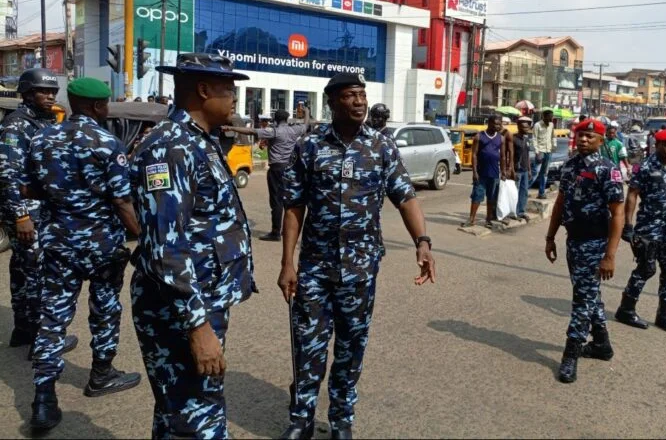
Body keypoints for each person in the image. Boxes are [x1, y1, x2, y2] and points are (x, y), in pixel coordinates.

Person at [278, 72, 436, 440]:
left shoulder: (381, 146)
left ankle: (341, 420)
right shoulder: (310, 146)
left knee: (351, 347)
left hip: (360, 268)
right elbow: (294, 206)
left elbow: (405, 197)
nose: (359, 102)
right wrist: (287, 262)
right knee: (308, 345)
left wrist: (423, 241)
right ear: (332, 102)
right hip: (315, 267)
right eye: (350, 96)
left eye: (362, 95)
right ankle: (301, 419)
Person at [129, 54, 256, 438]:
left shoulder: (199, 141)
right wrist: (197, 326)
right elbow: (165, 248)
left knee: (180, 415)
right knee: (197, 419)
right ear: (203, 90)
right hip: (180, 310)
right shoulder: (170, 148)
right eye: (228, 90)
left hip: (199, 300)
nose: (234, 98)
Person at [23, 77, 143, 430]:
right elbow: (122, 201)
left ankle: (43, 398)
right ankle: (101, 374)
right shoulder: (107, 143)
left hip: (58, 243)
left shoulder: (42, 138)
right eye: (105, 104)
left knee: (53, 315)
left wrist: (61, 196)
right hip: (101, 245)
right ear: (96, 106)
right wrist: (143, 238)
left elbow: (30, 188)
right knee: (105, 307)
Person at [0, 69, 77, 356]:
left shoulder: (43, 121)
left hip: (38, 209)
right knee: (37, 273)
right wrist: (21, 216)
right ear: (27, 94)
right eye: (43, 91)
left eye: (53, 91)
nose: (50, 96)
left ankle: (23, 329)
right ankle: (40, 340)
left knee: (23, 270)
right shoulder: (16, 125)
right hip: (26, 210)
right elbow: (7, 174)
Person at [544, 119, 625, 384]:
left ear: (601, 140)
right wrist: (550, 237)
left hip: (595, 243)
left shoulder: (608, 169)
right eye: (580, 135)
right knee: (589, 295)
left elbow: (618, 213)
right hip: (574, 241)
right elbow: (560, 202)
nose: (583, 139)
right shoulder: (570, 166)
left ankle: (571, 353)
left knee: (582, 300)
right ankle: (602, 344)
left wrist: (609, 255)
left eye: (590, 136)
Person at [616, 129, 666, 336]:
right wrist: (628, 225)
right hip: (649, 230)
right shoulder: (644, 167)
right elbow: (632, 195)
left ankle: (664, 315)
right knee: (646, 269)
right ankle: (626, 309)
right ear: (657, 145)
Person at [223, 106, 310, 241]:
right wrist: (307, 112)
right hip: (291, 168)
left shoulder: (274, 131)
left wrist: (231, 128)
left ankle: (275, 232)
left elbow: (251, 131)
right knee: (289, 201)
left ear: (275, 119)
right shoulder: (294, 130)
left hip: (276, 169)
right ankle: (287, 231)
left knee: (276, 201)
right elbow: (306, 124)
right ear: (287, 119)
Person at [462, 114, 504, 228]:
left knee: (491, 198)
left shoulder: (501, 138)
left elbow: (502, 156)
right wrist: (474, 172)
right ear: (489, 123)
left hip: (494, 173)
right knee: (477, 196)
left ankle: (488, 219)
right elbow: (474, 155)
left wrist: (504, 171)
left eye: (500, 124)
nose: (498, 126)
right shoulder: (479, 136)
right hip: (481, 173)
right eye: (496, 124)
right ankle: (471, 219)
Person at [531, 107, 556, 199]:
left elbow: (553, 136)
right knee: (535, 172)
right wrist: (537, 152)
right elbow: (534, 139)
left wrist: (554, 146)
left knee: (544, 173)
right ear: (544, 117)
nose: (551, 119)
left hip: (548, 151)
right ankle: (524, 189)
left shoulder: (551, 125)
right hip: (540, 151)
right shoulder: (537, 125)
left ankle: (541, 193)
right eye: (550, 117)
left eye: (552, 117)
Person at [512, 116, 532, 221]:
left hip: (525, 170)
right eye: (524, 127)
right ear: (519, 127)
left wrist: (529, 170)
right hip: (517, 170)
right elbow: (510, 156)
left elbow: (527, 155)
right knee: (515, 192)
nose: (527, 129)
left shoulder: (526, 139)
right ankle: (514, 213)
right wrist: (512, 170)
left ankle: (521, 212)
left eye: (528, 127)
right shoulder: (513, 139)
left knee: (524, 192)